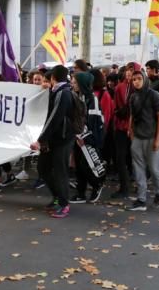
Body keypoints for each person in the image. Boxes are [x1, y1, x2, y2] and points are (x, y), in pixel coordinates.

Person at [32, 66, 74, 218]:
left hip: (62, 139)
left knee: (60, 171)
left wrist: (40, 140)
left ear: (53, 78)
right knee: (43, 168)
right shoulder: (58, 91)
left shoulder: (64, 93)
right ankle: (57, 197)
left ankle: (64, 204)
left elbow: (55, 118)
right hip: (53, 139)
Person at [125, 69, 159, 212]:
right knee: (138, 169)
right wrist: (130, 131)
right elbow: (131, 116)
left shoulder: (154, 95)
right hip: (137, 138)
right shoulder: (133, 97)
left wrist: (158, 138)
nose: (136, 81)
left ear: (144, 79)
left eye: (138, 79)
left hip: (152, 137)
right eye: (134, 79)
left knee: (154, 169)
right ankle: (141, 199)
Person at [69, 70, 106, 204]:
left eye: (75, 81)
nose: (72, 83)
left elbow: (94, 122)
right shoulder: (76, 96)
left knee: (88, 165)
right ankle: (80, 193)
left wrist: (86, 138)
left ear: (82, 84)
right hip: (78, 137)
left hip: (88, 138)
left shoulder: (92, 99)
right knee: (78, 166)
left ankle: (97, 185)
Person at [111, 64, 136, 198]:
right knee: (120, 158)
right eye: (127, 70)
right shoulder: (119, 87)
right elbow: (115, 105)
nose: (129, 73)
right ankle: (124, 187)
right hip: (121, 126)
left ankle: (137, 184)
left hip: (135, 129)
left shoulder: (140, 88)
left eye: (132, 70)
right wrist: (118, 112)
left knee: (136, 159)